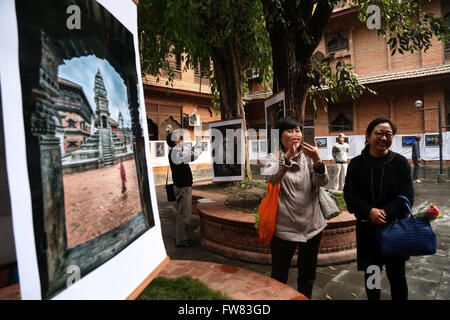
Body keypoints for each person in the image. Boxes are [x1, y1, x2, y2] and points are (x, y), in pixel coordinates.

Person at [344, 117, 413, 300]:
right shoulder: (357, 164)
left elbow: (407, 196)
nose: (383, 138)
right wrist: (369, 211)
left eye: (388, 134)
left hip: (394, 230)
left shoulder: (400, 163)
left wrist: (385, 212)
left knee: (397, 277)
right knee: (372, 277)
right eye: (379, 133)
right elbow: (350, 195)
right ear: (368, 136)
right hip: (368, 232)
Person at [263, 117, 328, 299]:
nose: (295, 134)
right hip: (285, 227)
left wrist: (318, 161)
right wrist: (287, 158)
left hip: (312, 226)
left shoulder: (310, 155)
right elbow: (271, 179)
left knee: (307, 276)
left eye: (297, 130)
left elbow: (322, 182)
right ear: (279, 135)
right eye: (290, 131)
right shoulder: (271, 157)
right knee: (279, 274)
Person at [167, 131, 202, 248]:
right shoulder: (176, 152)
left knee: (182, 213)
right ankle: (182, 240)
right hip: (183, 186)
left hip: (179, 185)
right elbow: (192, 156)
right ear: (175, 141)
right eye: (179, 139)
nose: (181, 140)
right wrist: (198, 146)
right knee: (184, 214)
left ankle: (181, 238)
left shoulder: (173, 151)